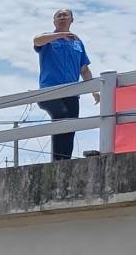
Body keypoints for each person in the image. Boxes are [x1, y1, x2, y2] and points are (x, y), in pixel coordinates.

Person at [32, 8, 94, 161]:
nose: (62, 17)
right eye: (58, 16)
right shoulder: (48, 39)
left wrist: (94, 90)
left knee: (71, 126)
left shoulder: (77, 43)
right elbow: (36, 40)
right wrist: (61, 35)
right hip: (49, 91)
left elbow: (84, 69)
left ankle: (65, 161)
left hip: (72, 93)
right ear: (54, 21)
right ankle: (57, 161)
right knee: (61, 115)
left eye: (65, 15)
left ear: (71, 20)